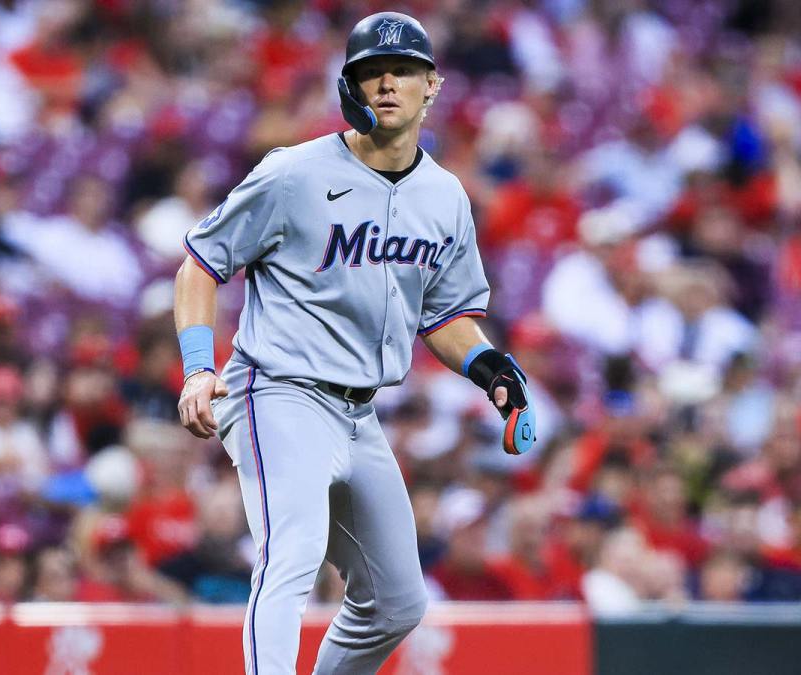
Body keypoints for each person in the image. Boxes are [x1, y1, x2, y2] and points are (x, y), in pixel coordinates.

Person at [172, 13, 536, 674]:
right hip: (277, 388)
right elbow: (201, 263)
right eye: (372, 71)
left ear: (434, 87)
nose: (388, 82)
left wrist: (489, 368)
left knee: (398, 600)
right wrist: (199, 368)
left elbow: (445, 316)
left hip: (359, 411)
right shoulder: (294, 174)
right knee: (294, 552)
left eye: (404, 71)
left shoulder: (445, 197)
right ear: (351, 88)